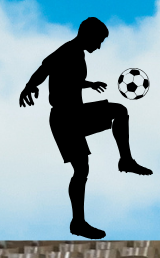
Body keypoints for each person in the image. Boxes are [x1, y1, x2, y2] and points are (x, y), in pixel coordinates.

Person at [19, 17, 153, 242]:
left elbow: (67, 78)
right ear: (88, 35)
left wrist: (88, 84)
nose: (99, 46)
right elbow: (45, 68)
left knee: (118, 114)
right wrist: (29, 86)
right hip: (65, 118)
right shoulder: (68, 50)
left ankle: (125, 161)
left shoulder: (77, 53)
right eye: (98, 41)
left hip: (74, 115)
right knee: (82, 168)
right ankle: (79, 222)